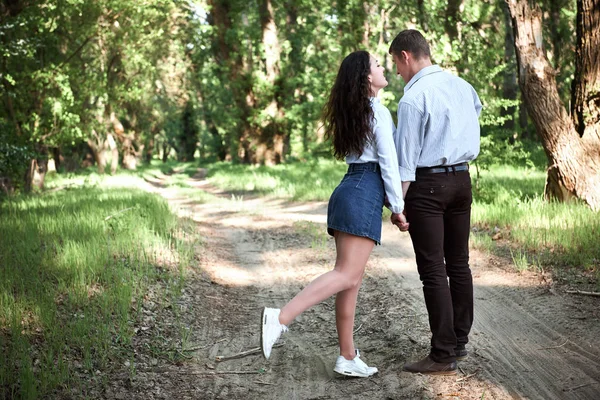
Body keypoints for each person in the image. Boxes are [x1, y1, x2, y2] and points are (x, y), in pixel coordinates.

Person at [260, 50, 408, 378]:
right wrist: (398, 207)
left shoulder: (358, 112)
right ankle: (280, 318)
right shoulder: (378, 112)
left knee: (349, 281)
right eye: (378, 65)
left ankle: (347, 356)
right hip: (364, 191)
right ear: (368, 78)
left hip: (349, 190)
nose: (384, 69)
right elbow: (388, 162)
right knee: (347, 275)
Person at [388, 29, 482, 375]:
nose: (397, 73)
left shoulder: (413, 99)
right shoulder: (463, 86)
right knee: (459, 262)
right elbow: (472, 120)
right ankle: (458, 341)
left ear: (405, 56)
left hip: (427, 184)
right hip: (462, 179)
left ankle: (442, 354)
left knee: (432, 270)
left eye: (396, 65)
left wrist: (397, 204)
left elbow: (406, 161)